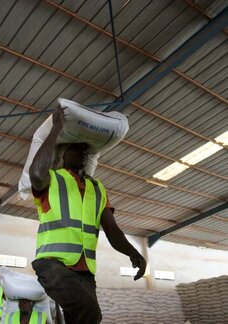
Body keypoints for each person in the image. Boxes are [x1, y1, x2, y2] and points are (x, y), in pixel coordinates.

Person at [29, 106, 146, 324]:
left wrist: (133, 252)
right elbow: (36, 174)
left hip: (85, 271)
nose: (83, 151)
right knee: (89, 311)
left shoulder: (97, 188)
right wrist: (55, 129)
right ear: (63, 155)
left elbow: (112, 229)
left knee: (86, 319)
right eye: (76, 148)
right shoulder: (52, 179)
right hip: (53, 264)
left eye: (85, 149)